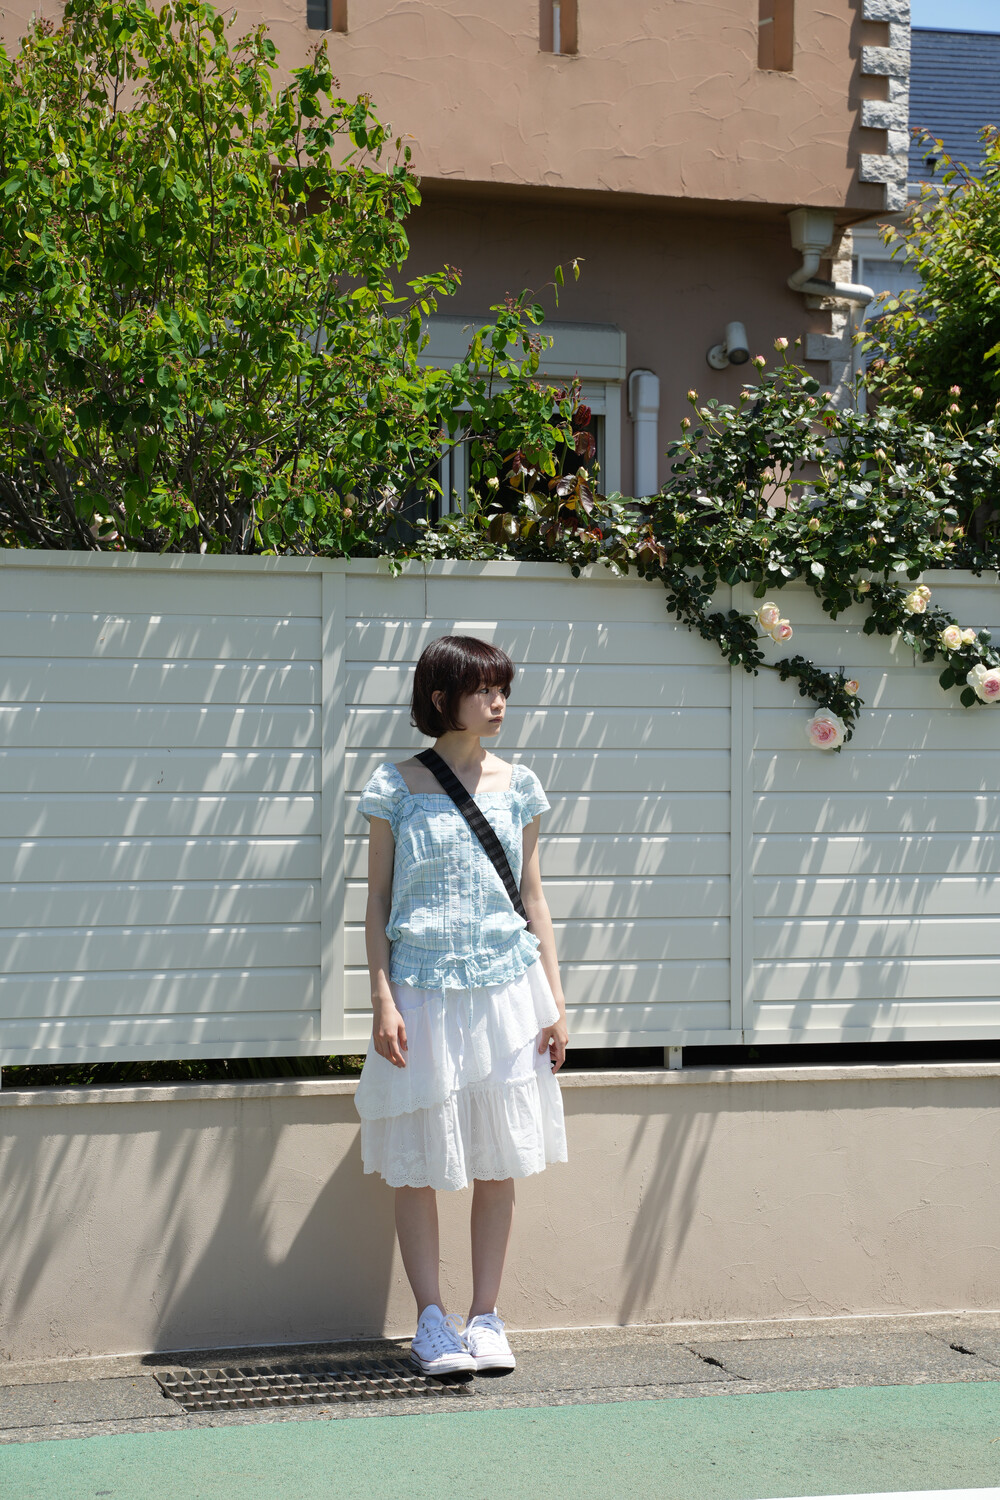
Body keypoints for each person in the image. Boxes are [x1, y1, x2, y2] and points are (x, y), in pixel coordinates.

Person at [354, 633, 569, 1381]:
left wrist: (555, 1003)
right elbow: (377, 902)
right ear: (442, 698)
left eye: (503, 689)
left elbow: (533, 897)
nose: (499, 703)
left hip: (507, 991)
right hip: (420, 989)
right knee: (418, 1161)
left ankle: (486, 1317)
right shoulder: (394, 786)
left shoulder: (520, 785)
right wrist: (381, 998)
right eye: (484, 690)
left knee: (497, 1158)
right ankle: (431, 1321)